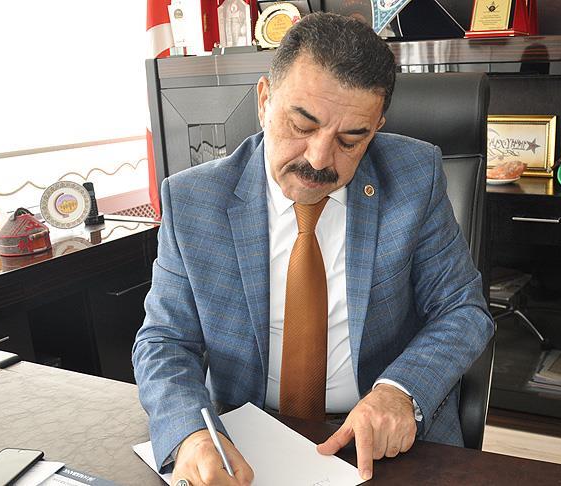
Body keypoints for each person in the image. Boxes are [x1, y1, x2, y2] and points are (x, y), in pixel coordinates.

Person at [133, 12, 494, 486]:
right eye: (302, 125)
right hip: (248, 438)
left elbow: (463, 310)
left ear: (376, 127)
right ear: (264, 100)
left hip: (384, 441)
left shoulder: (414, 175)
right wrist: (189, 436)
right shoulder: (193, 200)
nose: (320, 159)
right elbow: (164, 341)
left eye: (351, 139)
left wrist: (399, 391)